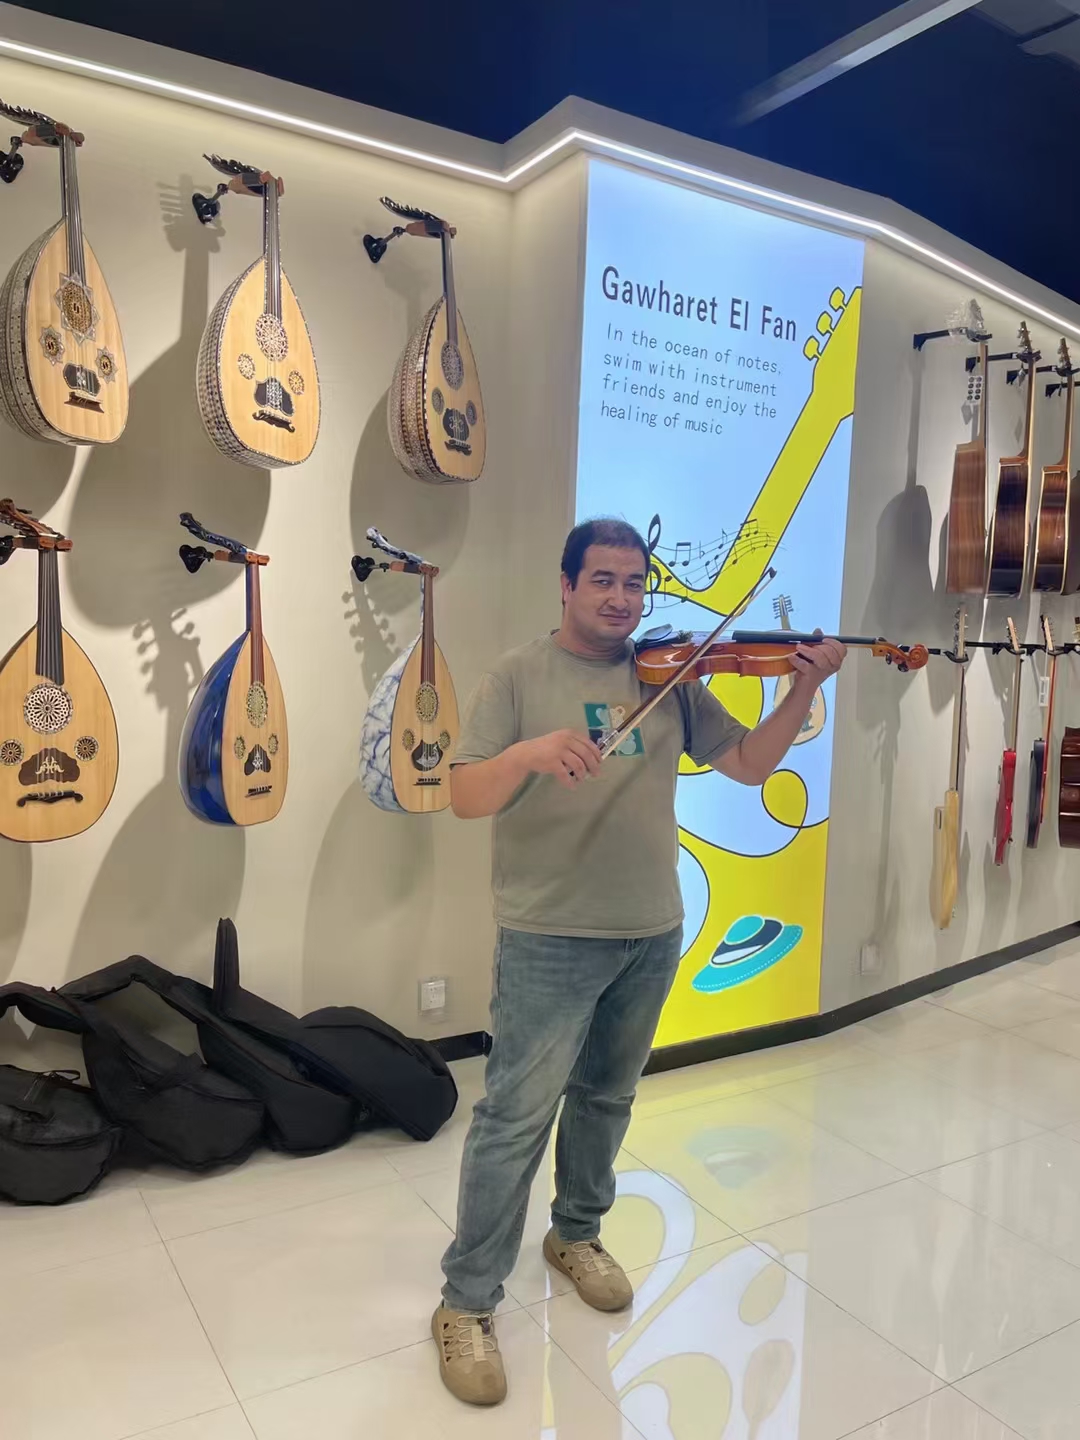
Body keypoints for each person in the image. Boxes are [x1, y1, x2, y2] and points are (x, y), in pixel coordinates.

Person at [431, 517, 845, 1406]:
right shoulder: (517, 676)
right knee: (513, 1120)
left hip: (650, 930)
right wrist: (528, 754)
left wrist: (803, 690)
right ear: (567, 585)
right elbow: (463, 795)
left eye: (633, 583)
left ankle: (576, 1233)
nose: (621, 598)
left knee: (607, 1100)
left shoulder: (672, 676)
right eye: (603, 580)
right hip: (548, 935)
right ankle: (466, 1301)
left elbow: (749, 764)